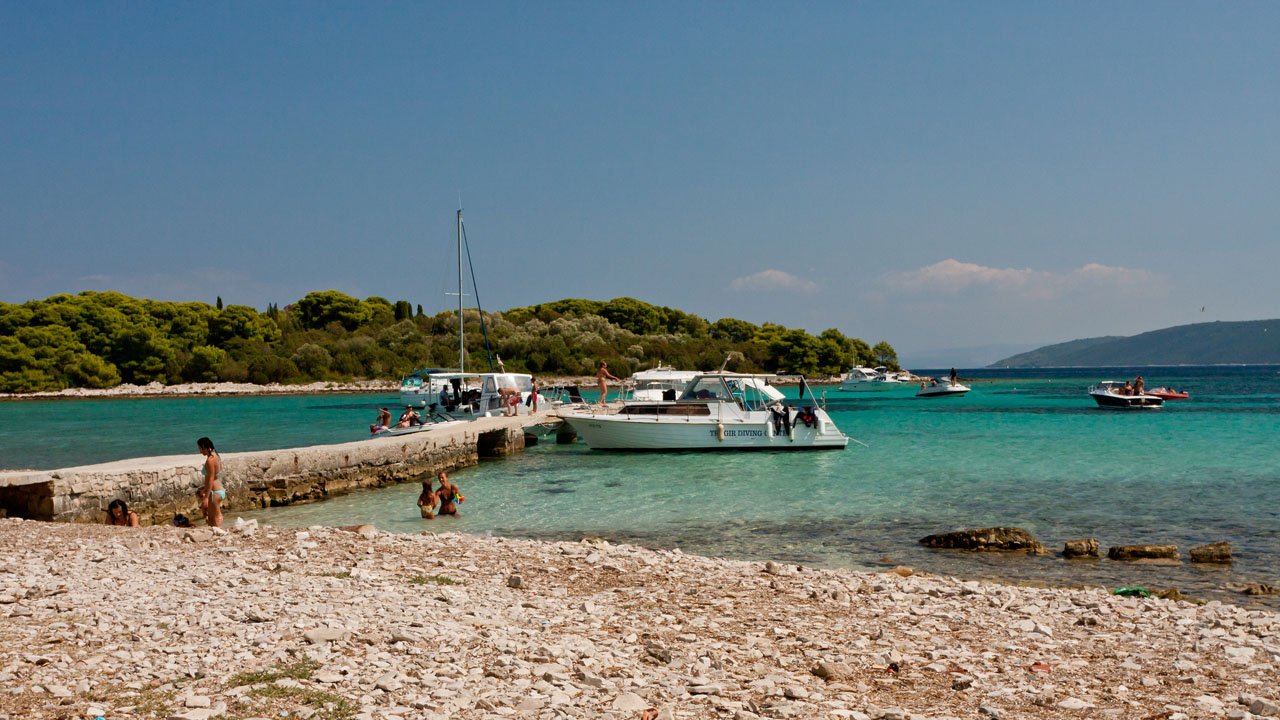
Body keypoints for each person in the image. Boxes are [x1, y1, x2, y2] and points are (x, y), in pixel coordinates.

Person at [196, 437, 224, 528]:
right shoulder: (215, 455)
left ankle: (220, 533)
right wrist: (204, 489)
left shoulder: (210, 460)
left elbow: (211, 478)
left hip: (215, 492)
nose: (200, 451)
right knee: (211, 518)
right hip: (216, 490)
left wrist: (206, 498)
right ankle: (216, 533)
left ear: (205, 447)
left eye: (200, 448)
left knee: (216, 517)